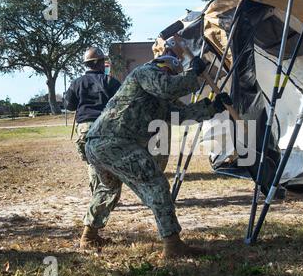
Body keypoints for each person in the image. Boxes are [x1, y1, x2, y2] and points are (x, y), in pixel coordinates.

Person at [80, 54, 233, 258]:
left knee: (108, 188)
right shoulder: (145, 73)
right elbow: (168, 87)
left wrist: (213, 107)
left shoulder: (159, 99)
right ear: (163, 67)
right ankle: (172, 244)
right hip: (115, 142)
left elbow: (182, 115)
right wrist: (193, 73)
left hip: (98, 144)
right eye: (170, 73)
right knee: (156, 185)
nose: (171, 77)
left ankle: (88, 236)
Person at [65, 47, 121, 194]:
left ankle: (97, 194)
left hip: (85, 128)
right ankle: (109, 192)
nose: (104, 64)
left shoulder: (77, 83)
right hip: (105, 126)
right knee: (109, 160)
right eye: (103, 61)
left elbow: (69, 106)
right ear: (98, 63)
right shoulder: (110, 82)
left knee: (92, 163)